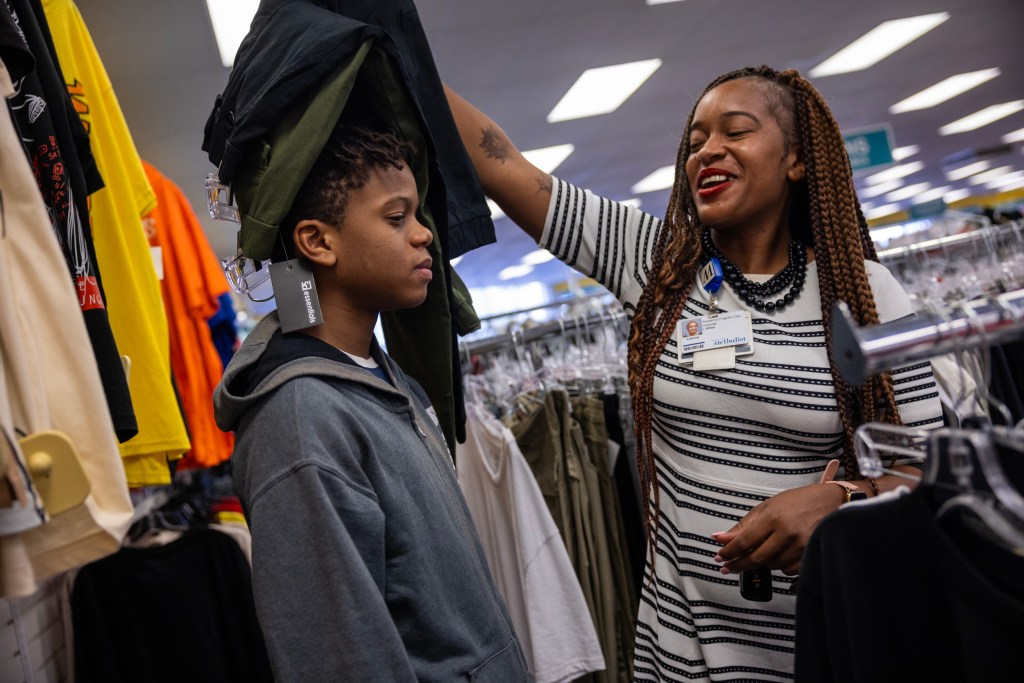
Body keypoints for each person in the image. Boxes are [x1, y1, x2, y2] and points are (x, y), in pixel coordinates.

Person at [444, 66, 944, 680]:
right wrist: (393, 35)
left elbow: (931, 469)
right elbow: (503, 164)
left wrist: (843, 499)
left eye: (736, 131)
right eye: (696, 140)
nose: (707, 150)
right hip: (682, 654)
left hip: (822, 644)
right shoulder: (657, 267)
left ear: (795, 159)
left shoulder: (864, 293)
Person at [212, 124, 531, 681]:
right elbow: (338, 658)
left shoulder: (386, 378)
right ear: (318, 242)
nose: (423, 234)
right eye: (396, 217)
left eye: (417, 215)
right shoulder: (301, 418)